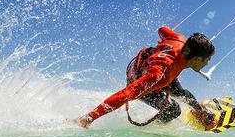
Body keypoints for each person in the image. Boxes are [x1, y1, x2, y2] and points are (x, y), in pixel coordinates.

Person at [74, 25, 216, 129]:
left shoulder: (179, 39)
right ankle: (154, 129)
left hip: (152, 63)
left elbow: (162, 29)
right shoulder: (161, 74)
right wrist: (90, 117)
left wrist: (163, 44)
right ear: (197, 59)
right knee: (174, 110)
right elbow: (126, 94)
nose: (207, 63)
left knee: (181, 92)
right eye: (207, 60)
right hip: (141, 77)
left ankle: (200, 111)